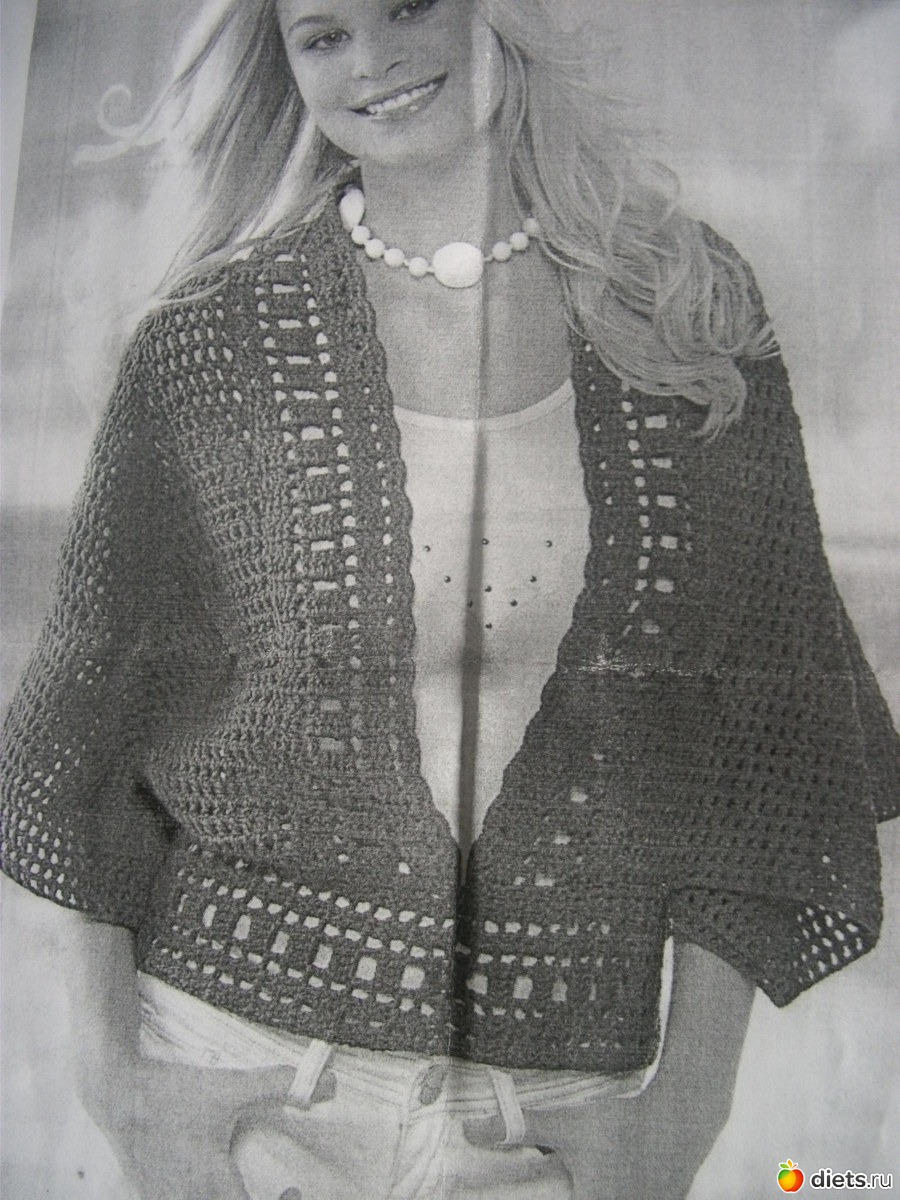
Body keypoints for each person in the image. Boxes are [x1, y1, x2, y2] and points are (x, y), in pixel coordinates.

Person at [2, 1, 898, 1197]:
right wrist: (117, 1084)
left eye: (410, 4)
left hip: (548, 1119)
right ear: (285, 64)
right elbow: (84, 742)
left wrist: (686, 1108)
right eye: (323, 34)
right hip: (238, 1079)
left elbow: (755, 747)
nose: (374, 60)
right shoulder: (208, 345)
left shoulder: (683, 303)